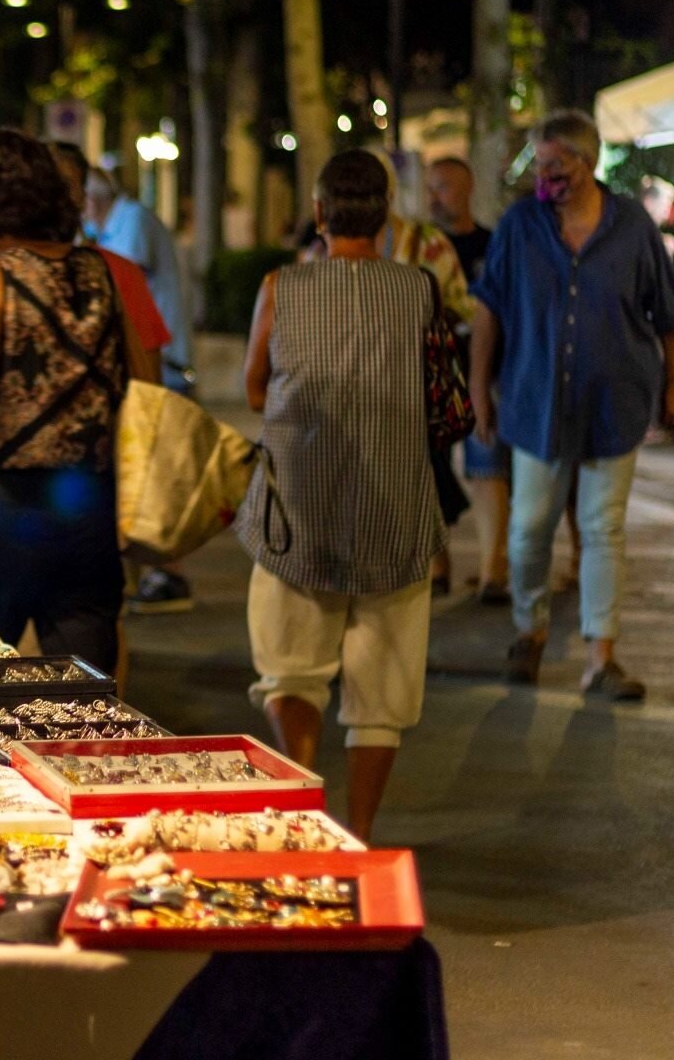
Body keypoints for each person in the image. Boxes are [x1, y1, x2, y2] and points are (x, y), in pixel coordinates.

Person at [237, 149, 441, 844]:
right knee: (381, 697)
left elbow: (255, 386)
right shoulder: (418, 288)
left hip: (298, 509)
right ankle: (360, 831)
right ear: (386, 217)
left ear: (320, 214)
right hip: (398, 511)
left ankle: (305, 813)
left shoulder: (281, 287)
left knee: (291, 671)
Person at [470, 110, 674, 702]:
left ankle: (601, 657)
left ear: (587, 162)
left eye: (555, 165)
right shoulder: (520, 226)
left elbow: (667, 314)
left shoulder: (632, 229)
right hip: (532, 400)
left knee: (603, 529)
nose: (544, 176)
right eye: (539, 165)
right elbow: (487, 309)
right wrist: (477, 389)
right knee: (528, 529)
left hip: (613, 402)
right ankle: (528, 630)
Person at [0, 130, 158, 670]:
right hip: (87, 503)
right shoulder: (103, 271)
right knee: (84, 689)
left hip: (4, 506)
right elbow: (141, 382)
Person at [47, 142, 192, 616]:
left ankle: (161, 572)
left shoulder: (115, 262)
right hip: (64, 477)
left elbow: (145, 381)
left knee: (92, 621)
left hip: (87, 472)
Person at [378, 184, 474, 597]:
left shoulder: (426, 242)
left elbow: (462, 306)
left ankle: (436, 561)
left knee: (429, 466)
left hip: (422, 376)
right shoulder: (328, 245)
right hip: (370, 381)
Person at [427, 156, 509, 603]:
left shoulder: (491, 245)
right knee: (431, 471)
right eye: (429, 188)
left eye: (442, 187)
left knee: (487, 466)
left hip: (482, 372)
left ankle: (492, 570)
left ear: (467, 188)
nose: (433, 198)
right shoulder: (419, 247)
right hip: (433, 377)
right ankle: (439, 567)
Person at [84, 168, 194, 391]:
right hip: (149, 354)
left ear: (92, 201)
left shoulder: (132, 219)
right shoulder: (111, 226)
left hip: (158, 357)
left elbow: (121, 282)